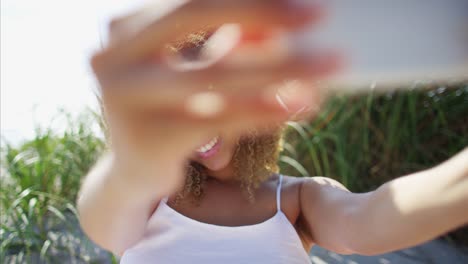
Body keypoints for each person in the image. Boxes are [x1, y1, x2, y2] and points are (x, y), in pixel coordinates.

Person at [77, 1, 468, 263]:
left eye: (213, 90)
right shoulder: (146, 196)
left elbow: (370, 219)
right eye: (180, 104)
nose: (199, 120)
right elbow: (103, 218)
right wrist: (133, 164)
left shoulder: (296, 199)